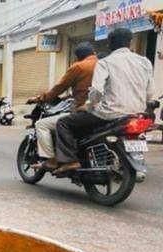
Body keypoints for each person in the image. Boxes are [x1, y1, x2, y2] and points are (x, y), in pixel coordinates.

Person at [54, 28, 156, 173]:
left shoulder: (106, 62)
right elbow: (150, 92)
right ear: (130, 43)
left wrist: (89, 106)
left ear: (110, 44)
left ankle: (70, 161)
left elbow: (96, 91)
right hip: (136, 113)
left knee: (63, 123)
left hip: (109, 113)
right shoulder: (145, 62)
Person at [28, 42, 97, 170]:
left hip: (86, 111)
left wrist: (40, 98)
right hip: (109, 110)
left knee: (43, 124)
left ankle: (53, 160)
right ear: (94, 53)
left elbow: (59, 88)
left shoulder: (79, 67)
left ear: (77, 57)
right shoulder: (104, 64)